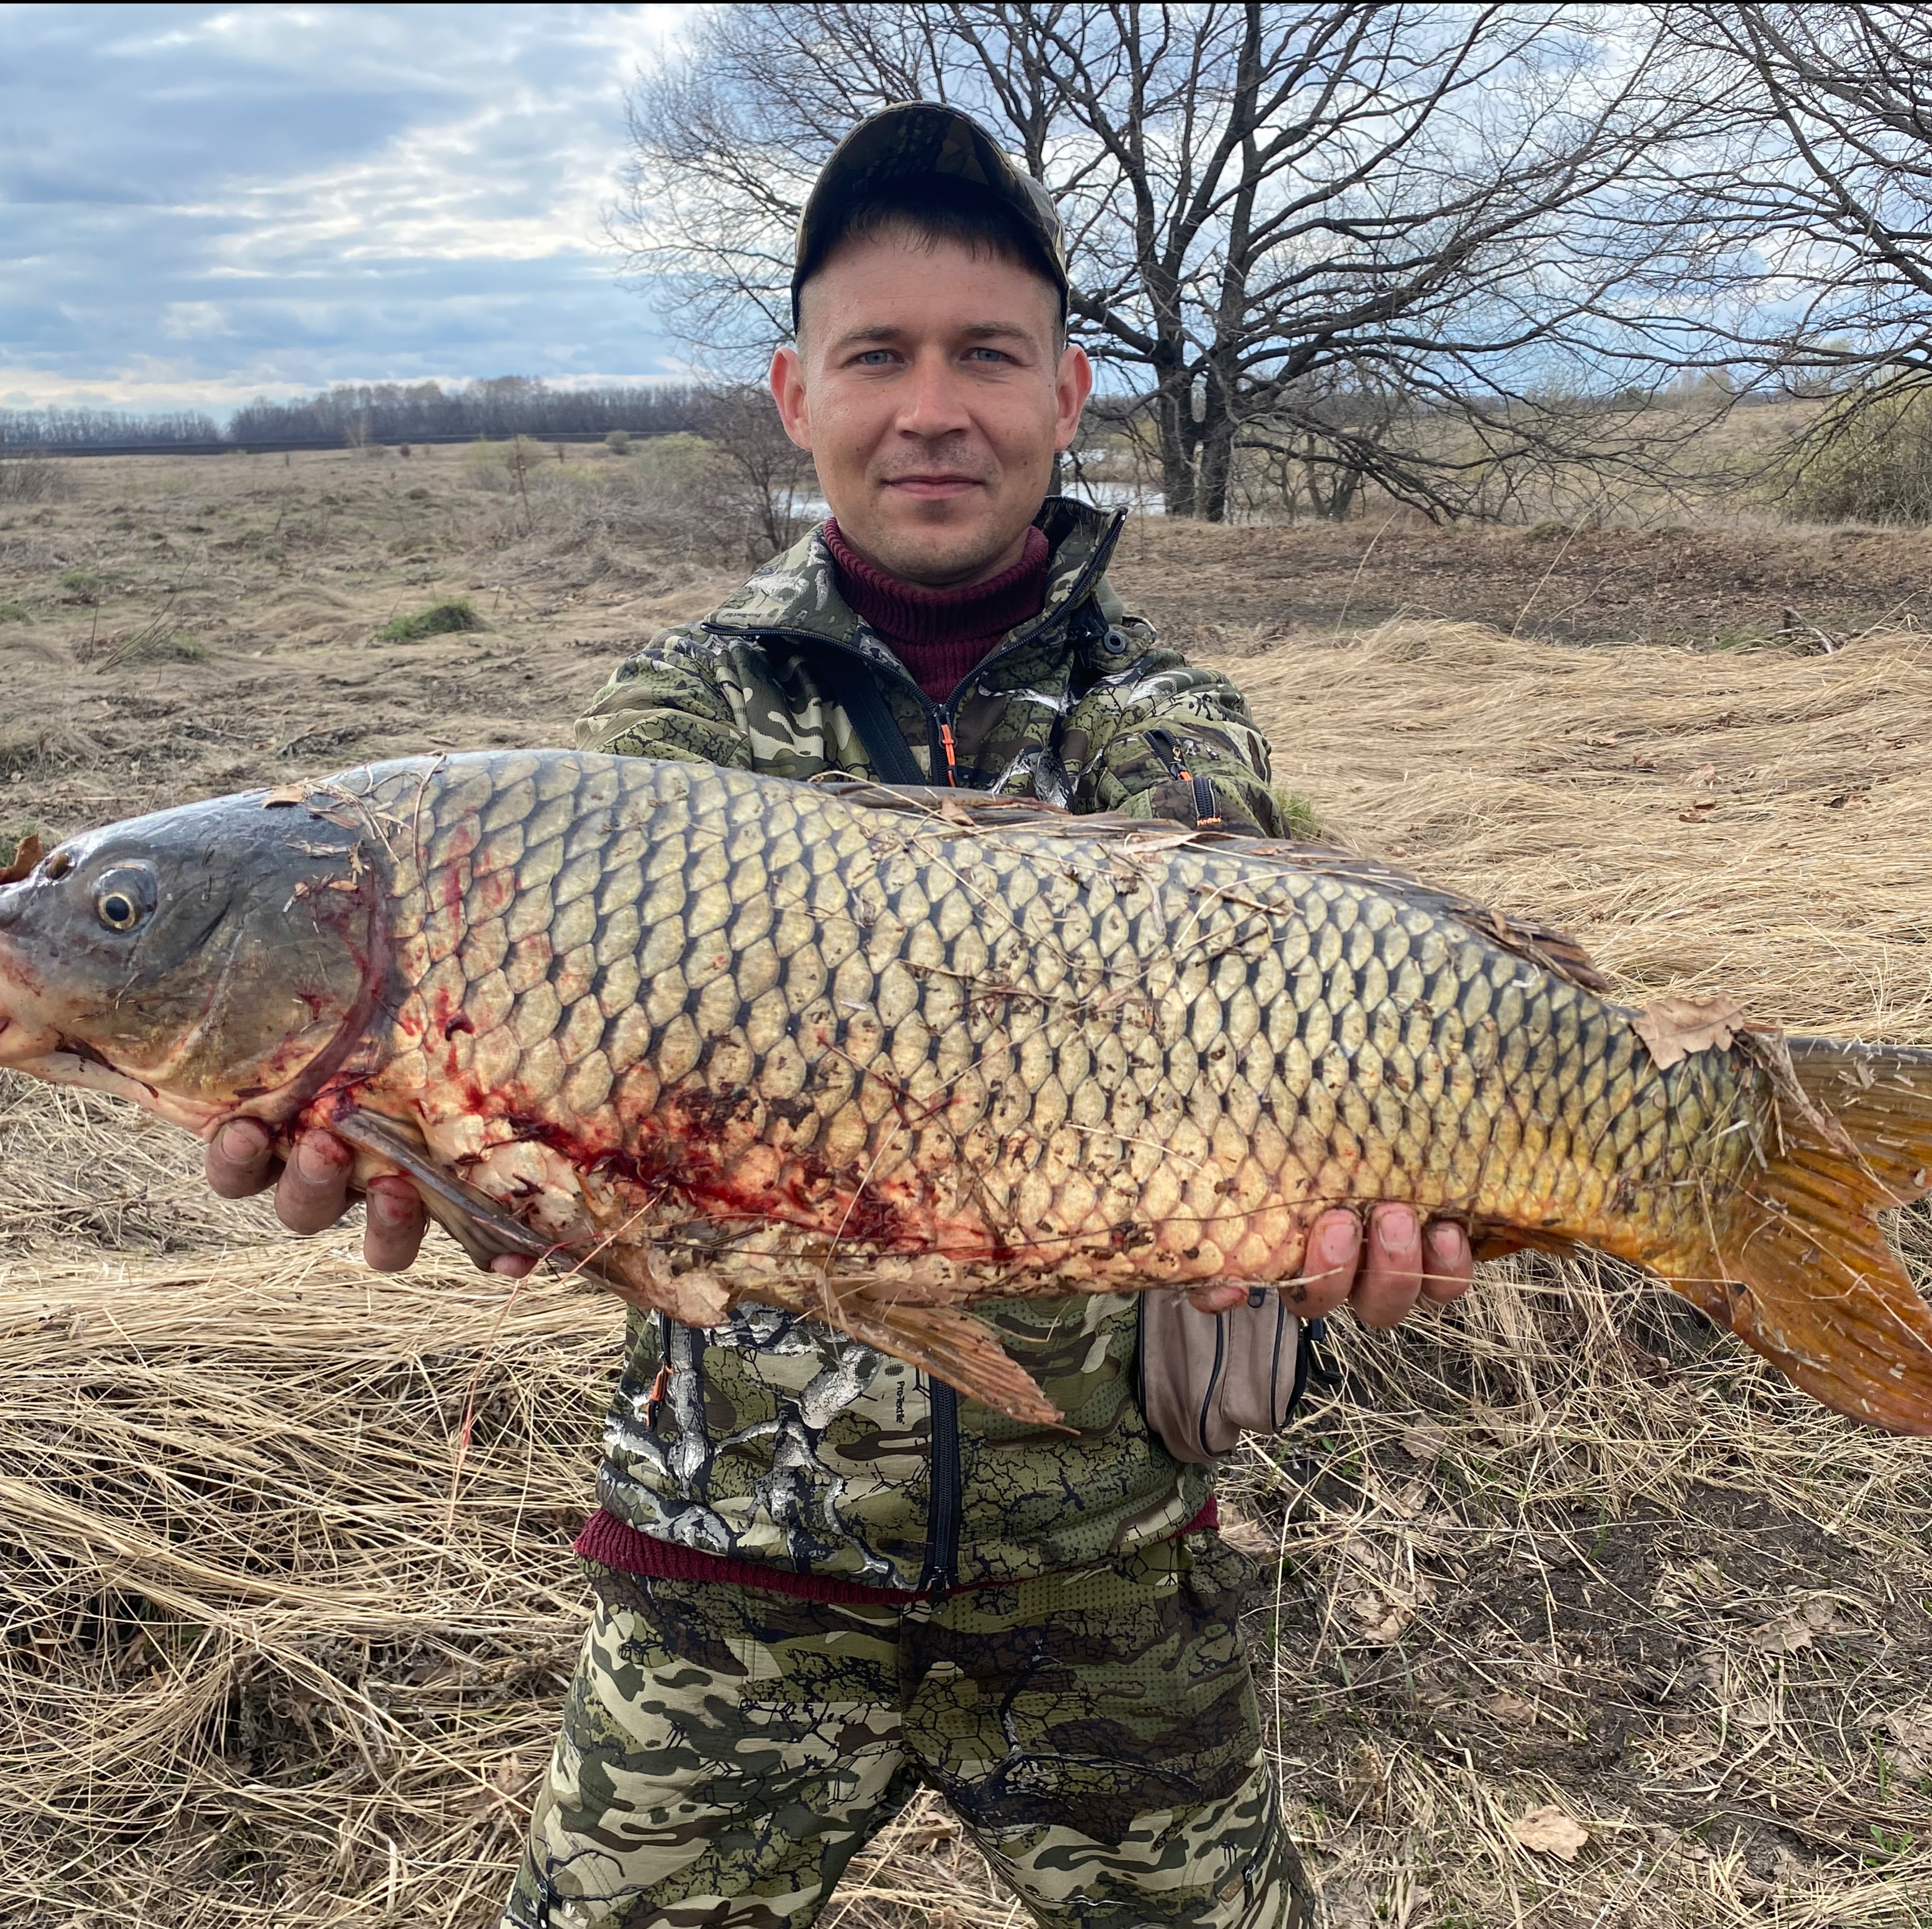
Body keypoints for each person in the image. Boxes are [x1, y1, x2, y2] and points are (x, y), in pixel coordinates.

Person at [206, 104, 1475, 1929]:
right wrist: (406, 1146)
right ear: (797, 395)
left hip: (1103, 1571)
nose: (933, 406)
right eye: (879, 356)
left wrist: (1349, 1258)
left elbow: (1266, 1129)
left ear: (1071, 391)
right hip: (732, 1571)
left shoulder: (1176, 733)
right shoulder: (656, 740)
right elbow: (549, 1148)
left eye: (988, 357)